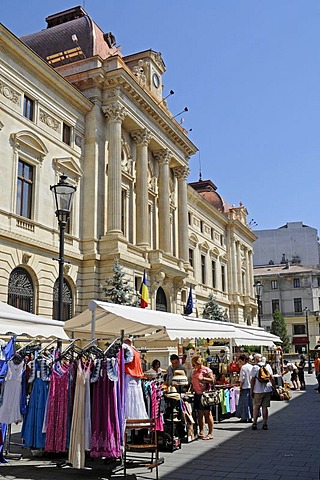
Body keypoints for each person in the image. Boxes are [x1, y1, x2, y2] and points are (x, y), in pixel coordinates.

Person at [191, 355, 215, 440]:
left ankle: (210, 433)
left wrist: (203, 378)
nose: (193, 366)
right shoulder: (195, 371)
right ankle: (201, 431)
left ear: (198, 364)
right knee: (200, 413)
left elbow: (212, 380)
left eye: (194, 364)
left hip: (205, 395)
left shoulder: (207, 370)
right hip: (197, 394)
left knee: (207, 413)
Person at [250, 353, 275, 431]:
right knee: (265, 407)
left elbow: (252, 380)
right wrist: (274, 387)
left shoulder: (255, 367)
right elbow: (272, 378)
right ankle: (264, 424)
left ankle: (254, 423)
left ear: (257, 359)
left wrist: (251, 390)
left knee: (256, 407)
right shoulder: (268, 366)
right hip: (267, 389)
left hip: (258, 390)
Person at [236, 353, 253, 422]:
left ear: (243, 360)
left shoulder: (243, 367)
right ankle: (251, 416)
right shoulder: (251, 366)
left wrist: (240, 387)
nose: (239, 363)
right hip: (251, 387)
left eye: (240, 361)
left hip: (245, 387)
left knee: (244, 403)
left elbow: (242, 379)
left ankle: (244, 417)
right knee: (250, 402)